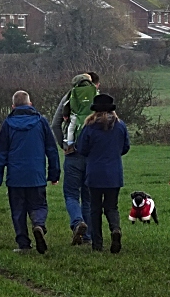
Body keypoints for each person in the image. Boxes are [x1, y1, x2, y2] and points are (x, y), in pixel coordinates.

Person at [0, 91, 60, 254]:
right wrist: (54, 173)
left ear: (13, 106)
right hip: (36, 175)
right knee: (39, 205)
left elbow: (1, 153)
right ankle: (38, 224)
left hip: (15, 176)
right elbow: (52, 149)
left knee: (18, 210)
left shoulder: (8, 124)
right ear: (30, 104)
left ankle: (23, 244)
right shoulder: (41, 122)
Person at [76, 94, 130, 253]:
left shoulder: (89, 127)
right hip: (114, 172)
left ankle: (97, 244)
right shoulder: (120, 126)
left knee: (95, 208)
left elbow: (82, 149)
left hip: (94, 172)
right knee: (112, 206)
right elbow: (126, 147)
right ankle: (115, 229)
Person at [51, 71, 100, 246]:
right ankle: (87, 237)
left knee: (71, 194)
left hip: (73, 153)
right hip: (93, 155)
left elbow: (55, 124)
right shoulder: (98, 97)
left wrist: (64, 145)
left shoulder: (69, 97)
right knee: (87, 196)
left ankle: (78, 222)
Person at [62, 73, 98, 153]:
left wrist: (68, 113)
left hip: (77, 115)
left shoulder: (74, 90)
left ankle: (70, 145)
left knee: (71, 128)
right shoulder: (93, 89)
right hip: (91, 114)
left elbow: (70, 104)